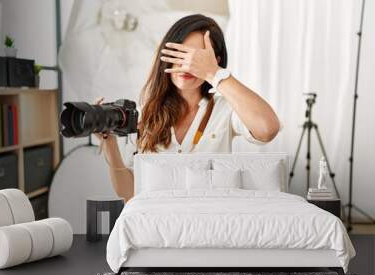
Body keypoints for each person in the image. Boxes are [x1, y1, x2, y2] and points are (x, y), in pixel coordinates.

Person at [94, 14, 280, 202]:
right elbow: (128, 190)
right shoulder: (142, 115)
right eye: (180, 54)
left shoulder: (225, 110)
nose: (187, 65)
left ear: (214, 60)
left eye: (197, 58)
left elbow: (267, 129)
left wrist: (214, 73)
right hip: (159, 223)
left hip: (210, 222)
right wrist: (109, 143)